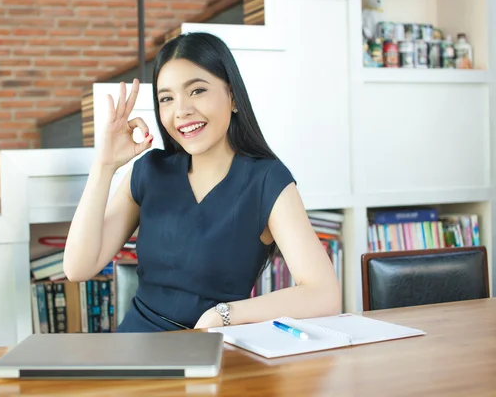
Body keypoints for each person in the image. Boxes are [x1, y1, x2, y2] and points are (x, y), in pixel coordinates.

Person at [63, 32, 341, 332]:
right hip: (136, 350)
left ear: (233, 97)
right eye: (167, 98)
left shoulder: (266, 181)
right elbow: (78, 267)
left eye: (196, 91)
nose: (181, 110)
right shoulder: (149, 171)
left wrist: (224, 315)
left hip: (214, 354)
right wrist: (105, 164)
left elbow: (324, 295)